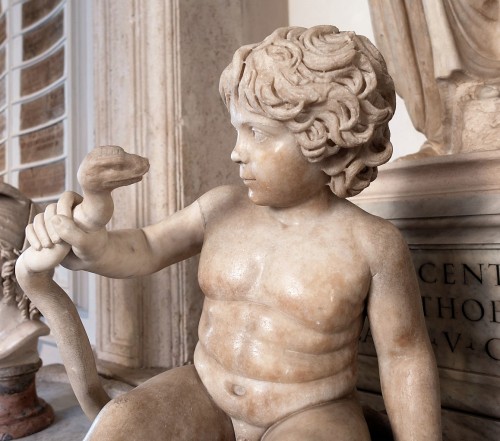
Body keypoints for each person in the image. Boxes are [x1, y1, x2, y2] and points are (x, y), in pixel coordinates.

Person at [26, 26, 441, 441]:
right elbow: (145, 247)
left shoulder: (371, 243)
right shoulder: (220, 207)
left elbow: (404, 356)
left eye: (257, 133)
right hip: (205, 392)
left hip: (311, 411)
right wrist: (87, 239)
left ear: (322, 138)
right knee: (118, 426)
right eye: (237, 130)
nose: (236, 151)